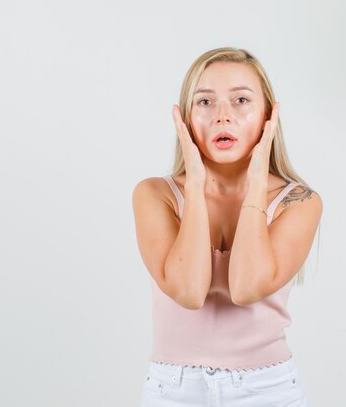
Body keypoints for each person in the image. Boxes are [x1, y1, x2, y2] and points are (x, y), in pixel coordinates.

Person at [132, 47, 323, 407]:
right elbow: (188, 292)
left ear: (268, 115)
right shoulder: (154, 194)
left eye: (241, 100)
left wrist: (255, 182)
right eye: (205, 102)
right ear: (185, 118)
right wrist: (195, 187)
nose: (223, 116)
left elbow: (246, 287)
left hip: (267, 390)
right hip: (171, 390)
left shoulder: (300, 201)